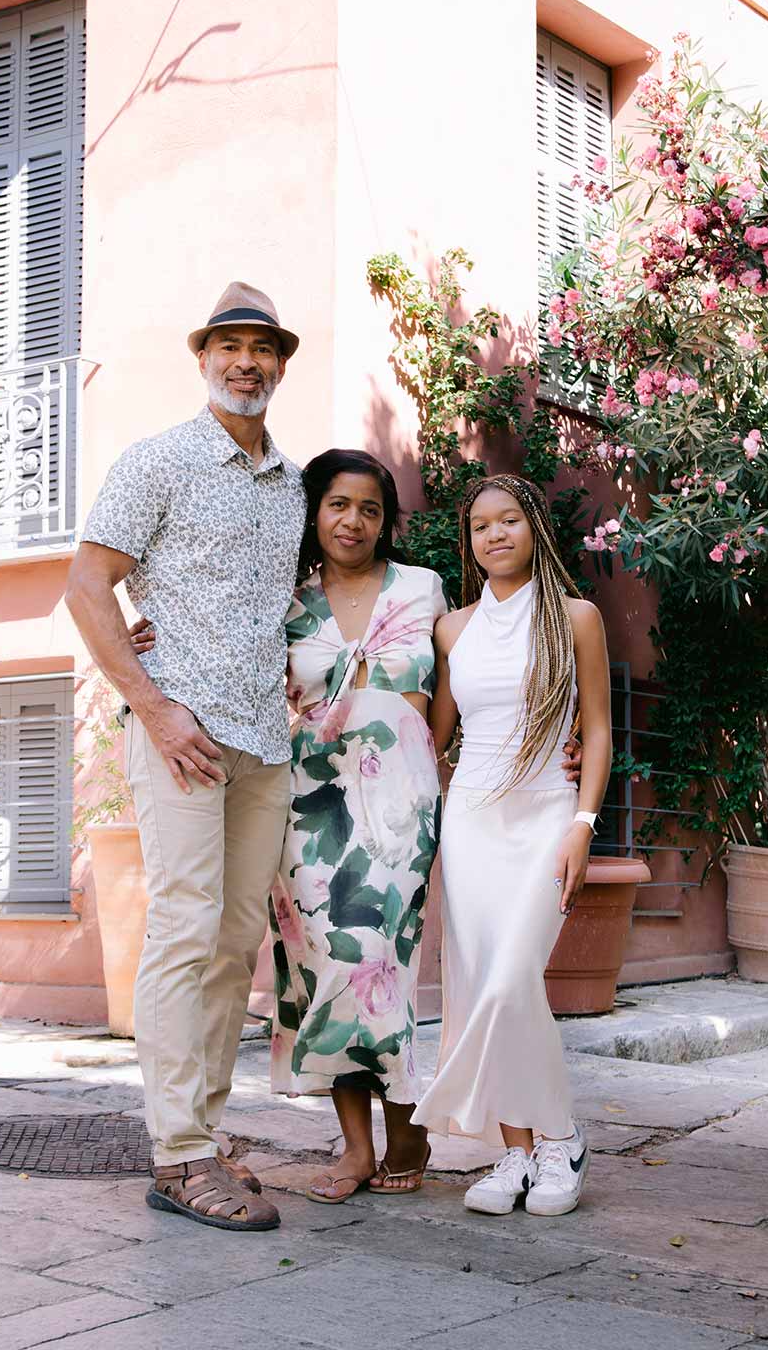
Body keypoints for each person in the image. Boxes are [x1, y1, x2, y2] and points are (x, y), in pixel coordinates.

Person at [63, 281, 304, 1233]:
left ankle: (203, 1130)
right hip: (183, 736)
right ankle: (177, 1154)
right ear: (203, 358)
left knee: (236, 941)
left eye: (263, 349)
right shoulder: (158, 460)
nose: (246, 363)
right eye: (229, 347)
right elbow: (88, 586)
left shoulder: (292, 485)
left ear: (280, 365)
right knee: (184, 927)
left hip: (264, 742)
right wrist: (154, 707)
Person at [413, 473, 613, 1217]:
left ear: (534, 527)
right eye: (480, 526)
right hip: (471, 822)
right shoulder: (452, 630)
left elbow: (599, 730)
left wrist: (583, 825)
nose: (494, 535)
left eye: (509, 520)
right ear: (468, 542)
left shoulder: (576, 618)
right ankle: (517, 1151)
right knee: (482, 985)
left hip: (548, 817)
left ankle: (562, 1138)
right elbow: (434, 735)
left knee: (510, 981)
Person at [269, 450, 446, 1203]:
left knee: (378, 953)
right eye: (339, 505)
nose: (354, 521)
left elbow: (453, 686)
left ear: (386, 521)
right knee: (328, 960)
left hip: (402, 796)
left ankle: (406, 1119)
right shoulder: (287, 599)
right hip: (314, 800)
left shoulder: (422, 587)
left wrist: (428, 761)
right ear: (315, 512)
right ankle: (356, 1145)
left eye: (370, 509)